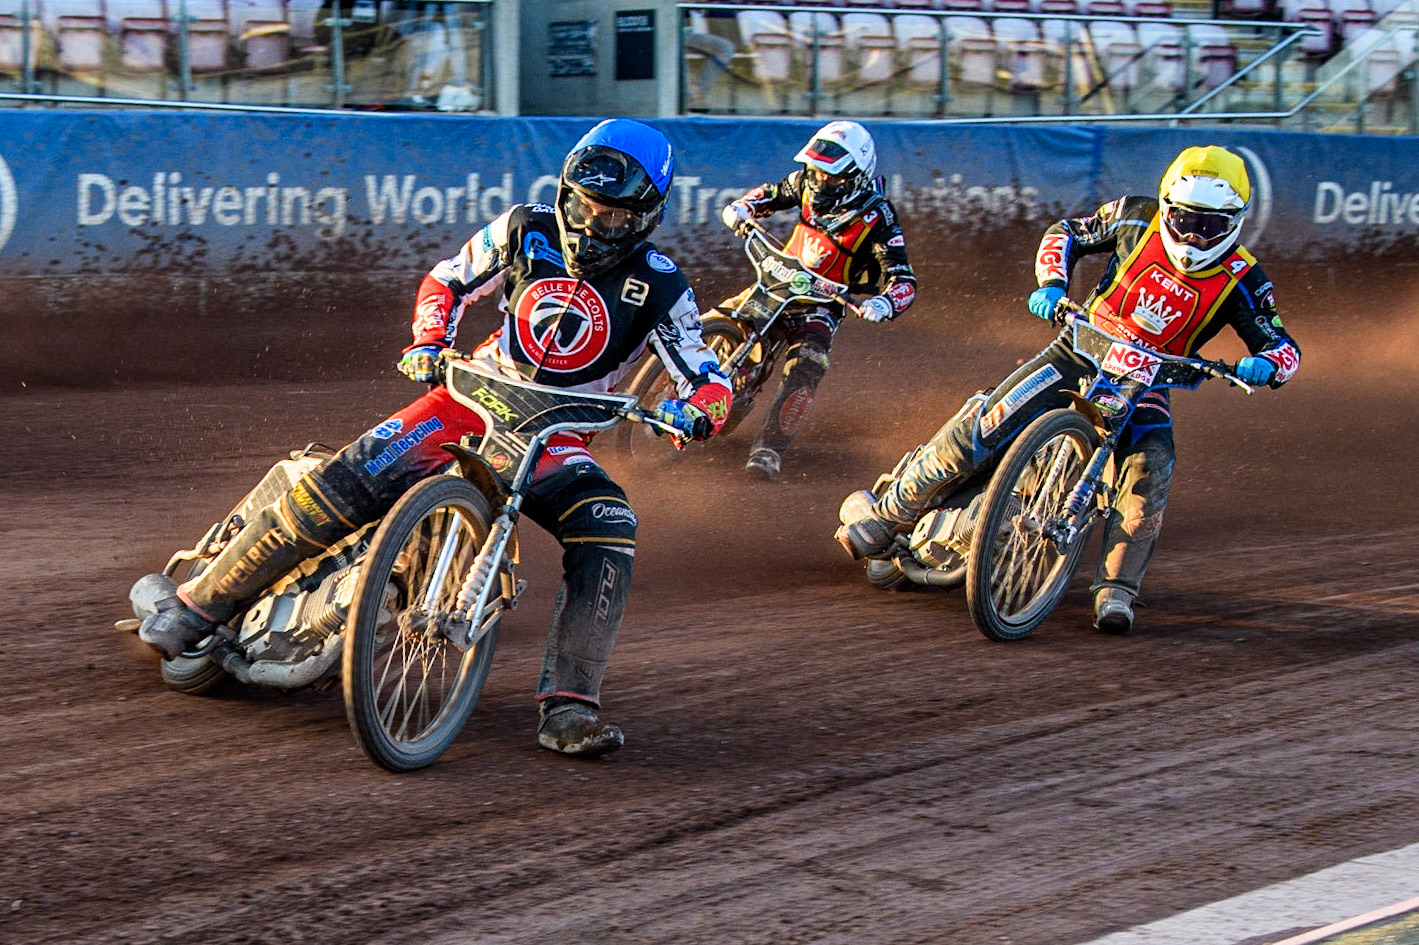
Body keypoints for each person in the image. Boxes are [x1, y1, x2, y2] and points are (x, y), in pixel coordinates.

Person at [140, 119, 733, 758]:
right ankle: (197, 606)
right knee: (341, 482)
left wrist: (697, 412)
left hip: (557, 439)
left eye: (613, 215)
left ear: (646, 216)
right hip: (466, 400)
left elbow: (707, 374)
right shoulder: (521, 229)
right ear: (563, 192)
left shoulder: (663, 286)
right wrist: (429, 340)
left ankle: (569, 706)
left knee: (612, 528)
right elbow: (446, 280)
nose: (592, 223)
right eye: (583, 204)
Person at [836, 145, 1301, 633]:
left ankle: (1117, 592)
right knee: (988, 419)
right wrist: (1052, 283)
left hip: (1148, 387)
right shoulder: (1134, 217)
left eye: (1209, 225)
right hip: (1080, 351)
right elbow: (1067, 233)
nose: (1192, 234)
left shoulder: (1243, 277)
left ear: (1235, 222)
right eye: (1184, 219)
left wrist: (1264, 364)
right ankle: (887, 517)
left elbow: (1283, 345)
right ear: (1166, 205)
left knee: (1152, 470)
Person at [718, 119, 916, 482]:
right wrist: (744, 207)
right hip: (778, 279)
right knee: (722, 316)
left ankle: (768, 451)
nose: (820, 182)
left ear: (856, 176)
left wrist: (884, 304)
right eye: (815, 171)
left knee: (807, 365)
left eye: (832, 177)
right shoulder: (805, 183)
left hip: (823, 303)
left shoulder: (878, 217)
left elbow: (904, 280)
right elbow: (771, 193)